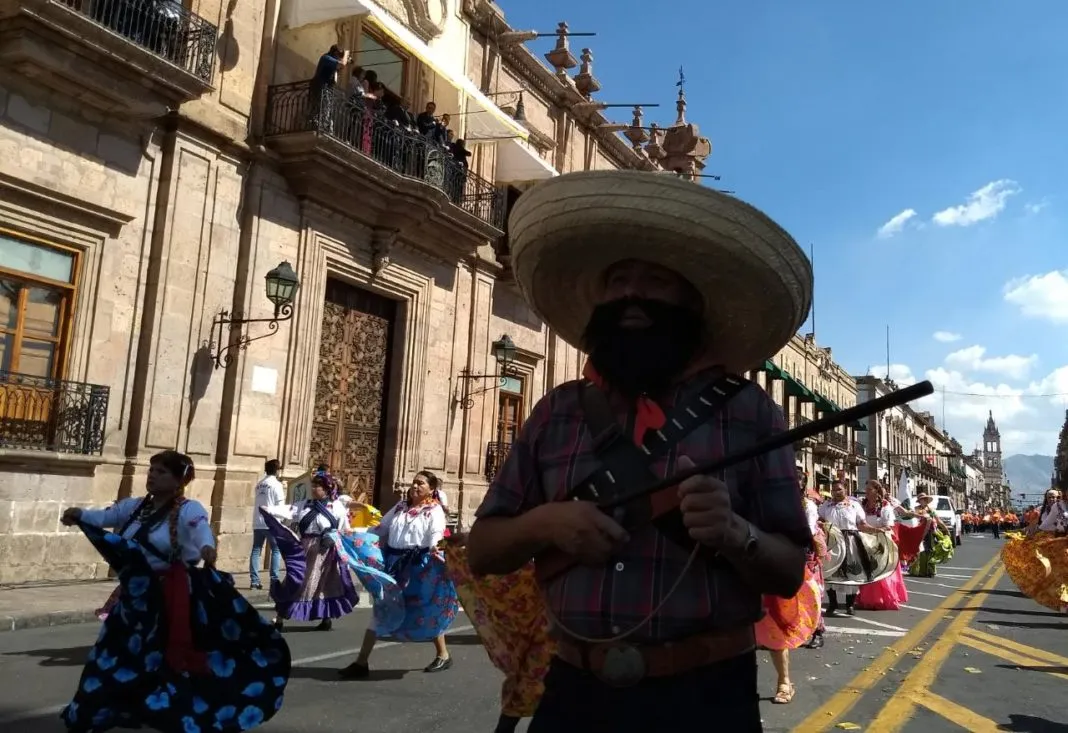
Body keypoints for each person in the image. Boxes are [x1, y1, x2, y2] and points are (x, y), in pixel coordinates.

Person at [463, 170, 814, 732]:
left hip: (706, 699)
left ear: (691, 303)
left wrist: (732, 533)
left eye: (653, 280)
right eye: (618, 279)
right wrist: (547, 524)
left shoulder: (749, 413)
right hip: (576, 694)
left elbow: (789, 572)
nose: (631, 292)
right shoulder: (558, 412)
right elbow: (483, 550)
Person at [58, 450, 289, 732]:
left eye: (162, 471)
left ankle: (177, 712)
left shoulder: (189, 510)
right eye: (152, 470)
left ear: (179, 481)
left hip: (172, 597)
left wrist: (207, 547)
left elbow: (200, 529)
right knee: (112, 653)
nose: (152, 475)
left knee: (166, 657)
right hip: (135, 598)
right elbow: (104, 516)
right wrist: (79, 515)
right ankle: (95, 709)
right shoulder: (134, 508)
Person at [339, 470, 459, 678]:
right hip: (393, 564)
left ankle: (443, 654)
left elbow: (436, 534)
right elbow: (381, 528)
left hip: (419, 566)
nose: (415, 486)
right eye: (414, 482)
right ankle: (361, 662)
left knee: (424, 607)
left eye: (420, 483)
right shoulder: (400, 507)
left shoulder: (434, 510)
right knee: (382, 607)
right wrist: (355, 535)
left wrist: (435, 548)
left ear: (431, 489)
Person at [755, 477, 827, 705]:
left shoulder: (801, 508)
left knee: (776, 626)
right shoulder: (753, 501)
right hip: (745, 566)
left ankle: (784, 682)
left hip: (778, 567)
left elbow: (802, 537)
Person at [260, 470, 357, 631]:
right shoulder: (304, 504)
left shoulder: (336, 507)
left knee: (324, 585)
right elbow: (288, 510)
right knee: (295, 580)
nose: (313, 488)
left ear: (326, 488)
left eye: (317, 486)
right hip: (304, 550)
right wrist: (269, 509)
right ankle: (280, 618)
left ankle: (326, 618)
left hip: (325, 553)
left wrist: (334, 537)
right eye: (313, 485)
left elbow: (344, 529)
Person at [819, 482, 886, 616]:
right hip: (832, 541)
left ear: (845, 489)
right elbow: (819, 521)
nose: (836, 492)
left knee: (852, 572)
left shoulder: (854, 505)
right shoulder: (826, 506)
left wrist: (877, 530)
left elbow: (862, 524)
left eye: (839, 489)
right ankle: (833, 603)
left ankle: (850, 605)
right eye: (833, 490)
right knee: (829, 571)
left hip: (850, 541)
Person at [1002, 489, 1068, 612]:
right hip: (1059, 543)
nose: (1052, 499)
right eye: (1049, 497)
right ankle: (1063, 601)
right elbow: (1044, 524)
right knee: (1061, 572)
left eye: (1054, 497)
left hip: (1055, 540)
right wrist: (1025, 534)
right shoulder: (1056, 507)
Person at [854, 481, 908, 611]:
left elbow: (888, 526)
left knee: (880, 571)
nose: (866, 492)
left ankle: (882, 598)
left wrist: (873, 530)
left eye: (869, 490)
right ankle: (868, 598)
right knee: (867, 571)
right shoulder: (862, 505)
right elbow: (858, 521)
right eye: (866, 489)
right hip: (865, 541)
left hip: (881, 542)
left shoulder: (885, 506)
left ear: (877, 491)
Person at [250, 458, 285, 590]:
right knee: (275, 550)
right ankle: (274, 580)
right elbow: (279, 505)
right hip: (272, 522)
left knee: (256, 550)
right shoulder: (277, 485)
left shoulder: (259, 484)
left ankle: (254, 580)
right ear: (276, 470)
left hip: (258, 521)